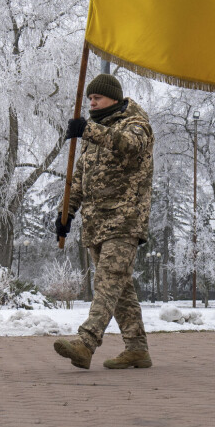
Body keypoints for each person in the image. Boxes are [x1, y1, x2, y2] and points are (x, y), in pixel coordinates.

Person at [53, 73, 154, 370]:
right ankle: (137, 349)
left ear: (114, 97)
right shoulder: (93, 135)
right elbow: (80, 180)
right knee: (120, 289)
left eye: (97, 98)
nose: (92, 103)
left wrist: (89, 131)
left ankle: (86, 343)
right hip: (97, 223)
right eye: (90, 99)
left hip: (125, 220)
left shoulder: (136, 125)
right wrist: (66, 214)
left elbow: (129, 146)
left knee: (107, 282)